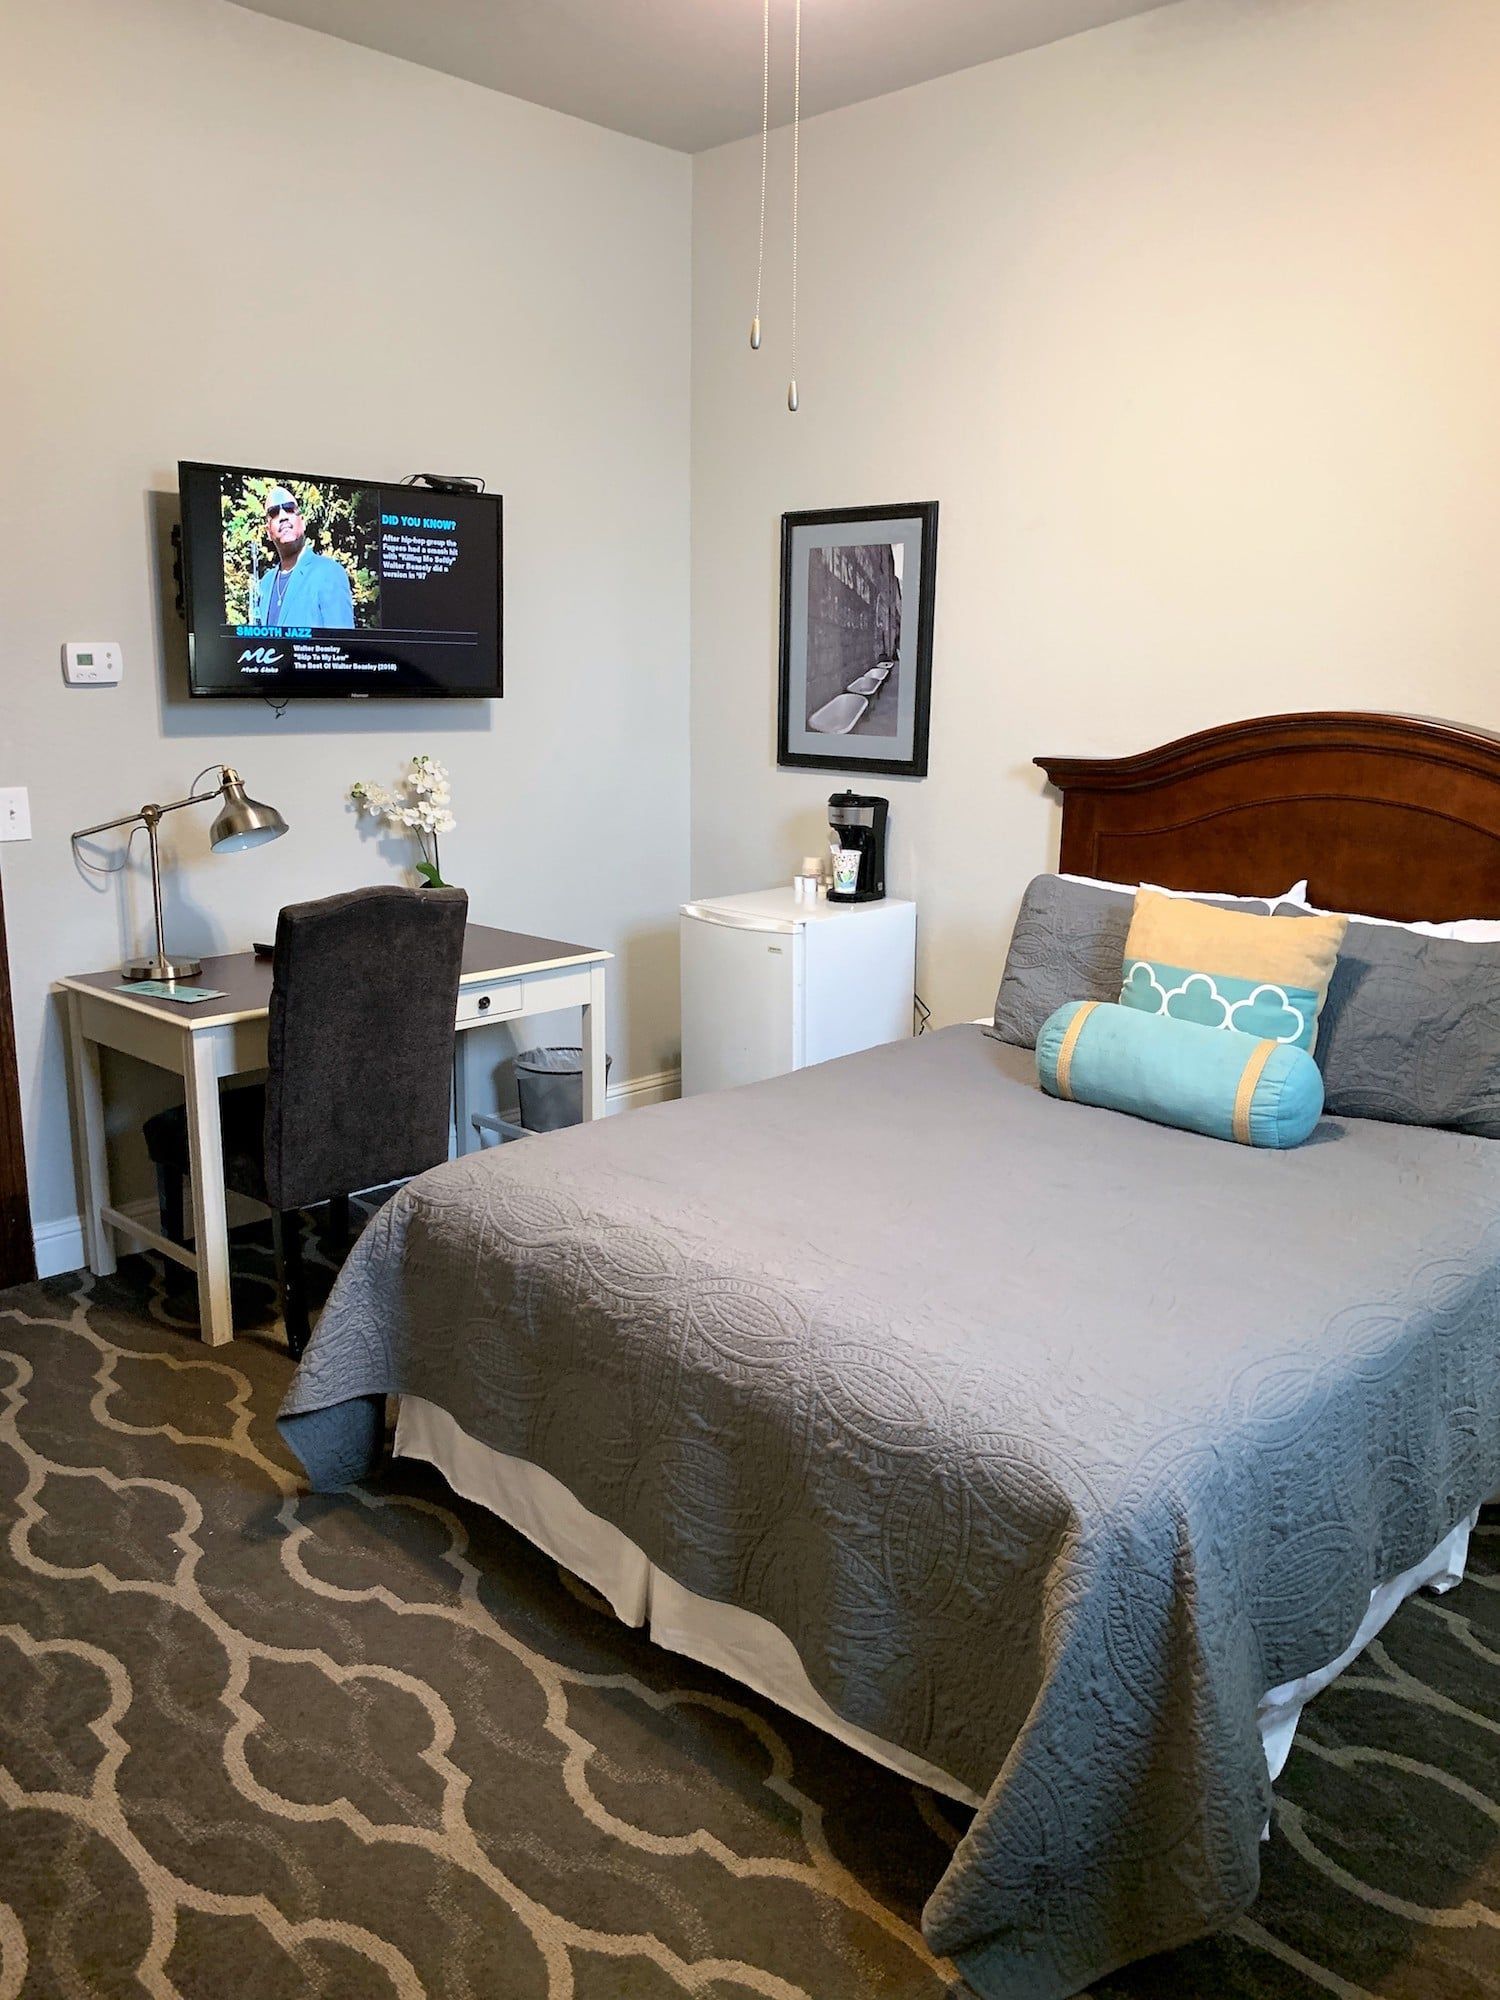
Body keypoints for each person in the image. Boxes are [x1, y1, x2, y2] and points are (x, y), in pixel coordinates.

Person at [251, 486, 355, 628]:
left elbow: (342, 644)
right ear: (268, 532)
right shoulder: (264, 584)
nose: (283, 517)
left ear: (303, 522)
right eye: (274, 513)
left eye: (289, 509)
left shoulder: (329, 572)